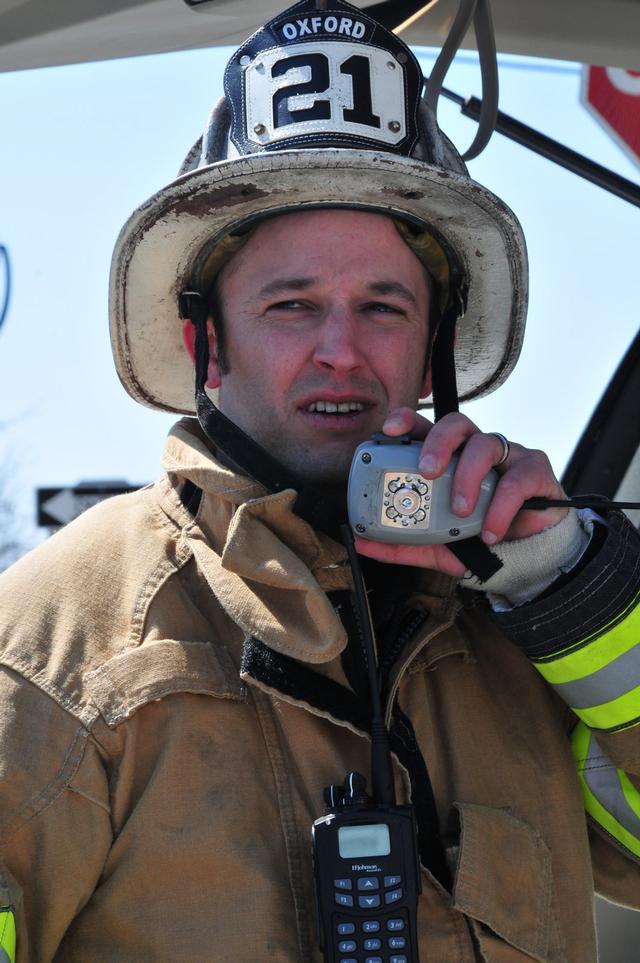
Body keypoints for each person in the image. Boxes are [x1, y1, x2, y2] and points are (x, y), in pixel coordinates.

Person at [1, 1, 639, 960]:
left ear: (433, 352)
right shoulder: (55, 651)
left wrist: (578, 595)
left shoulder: (529, 620)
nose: (341, 350)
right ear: (204, 344)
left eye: (384, 306)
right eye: (291, 304)